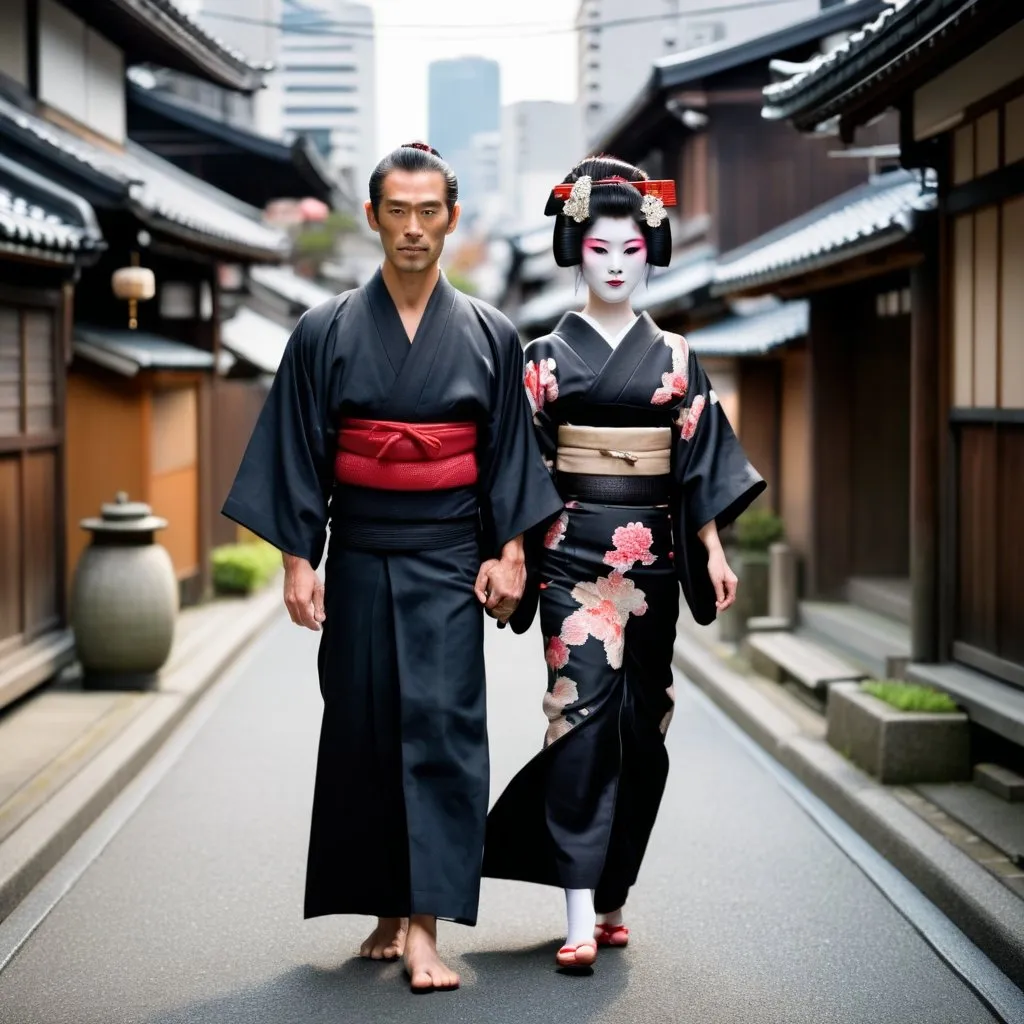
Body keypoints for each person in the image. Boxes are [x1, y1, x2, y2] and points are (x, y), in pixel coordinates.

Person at [222, 142, 562, 992]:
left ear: (450, 217)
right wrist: (302, 560)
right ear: (372, 217)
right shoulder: (322, 330)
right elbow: (298, 452)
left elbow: (510, 457)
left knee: (443, 737)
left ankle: (424, 928)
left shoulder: (491, 333)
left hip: (448, 561)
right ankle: (382, 906)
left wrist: (510, 549)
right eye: (397, 212)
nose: (413, 229)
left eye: (429, 211)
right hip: (363, 552)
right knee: (366, 731)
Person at [483, 156, 765, 969]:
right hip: (571, 557)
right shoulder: (540, 357)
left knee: (643, 728)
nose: (614, 263)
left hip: (653, 562)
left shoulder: (677, 358)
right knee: (576, 720)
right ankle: (576, 914)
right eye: (599, 247)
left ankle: (612, 898)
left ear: (651, 253)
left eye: (630, 249)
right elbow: (518, 462)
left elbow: (700, 459)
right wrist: (511, 554)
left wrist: (710, 546)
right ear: (576, 250)